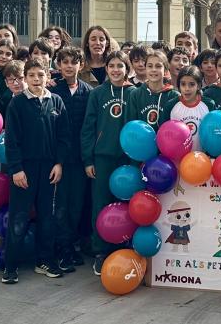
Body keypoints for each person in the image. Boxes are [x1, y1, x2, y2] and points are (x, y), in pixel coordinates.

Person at [2, 59, 69, 284]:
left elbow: (63, 138)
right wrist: (16, 169)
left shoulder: (57, 101)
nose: (36, 80)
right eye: (31, 75)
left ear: (47, 76)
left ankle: (45, 260)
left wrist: (59, 163)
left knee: (47, 217)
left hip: (49, 169)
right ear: (25, 78)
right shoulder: (17, 104)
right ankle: (11, 266)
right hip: (25, 170)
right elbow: (11, 140)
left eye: (40, 75)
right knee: (19, 217)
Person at [81, 50, 133, 274]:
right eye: (111, 66)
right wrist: (88, 159)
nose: (115, 70)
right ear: (106, 69)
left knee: (127, 205)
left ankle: (125, 246)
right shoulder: (97, 94)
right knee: (100, 205)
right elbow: (88, 129)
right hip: (102, 159)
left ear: (126, 69)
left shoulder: (134, 93)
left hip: (127, 159)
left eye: (120, 66)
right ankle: (101, 251)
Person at [49, 46, 92, 271]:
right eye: (64, 62)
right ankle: (62, 248)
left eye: (73, 62)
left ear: (80, 65)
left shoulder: (88, 91)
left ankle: (71, 245)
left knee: (76, 205)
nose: (68, 66)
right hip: (58, 159)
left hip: (80, 159)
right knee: (61, 205)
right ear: (58, 65)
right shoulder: (53, 89)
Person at [158, 66, 216, 149]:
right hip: (178, 160)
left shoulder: (209, 104)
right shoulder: (170, 106)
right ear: (178, 86)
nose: (187, 88)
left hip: (203, 159)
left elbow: (213, 133)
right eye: (183, 84)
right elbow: (163, 135)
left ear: (199, 86)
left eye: (192, 84)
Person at [127, 49, 178, 129]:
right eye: (150, 66)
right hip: (141, 140)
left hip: (165, 140)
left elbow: (176, 126)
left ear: (165, 70)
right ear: (146, 69)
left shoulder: (174, 96)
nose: (154, 70)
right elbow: (130, 125)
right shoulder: (135, 95)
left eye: (158, 66)